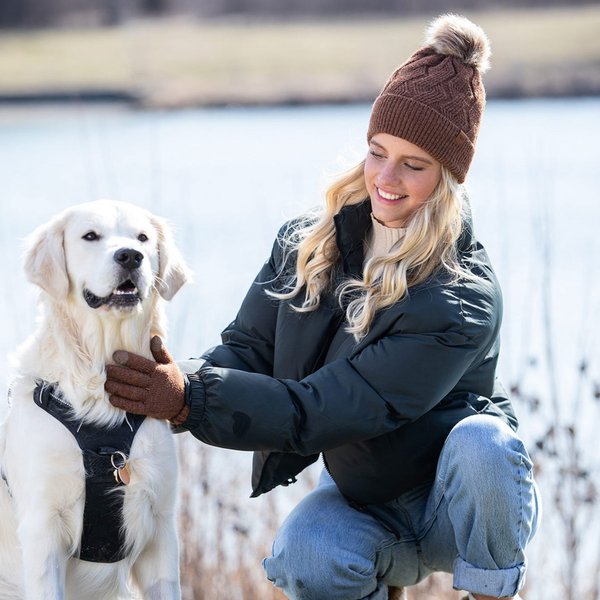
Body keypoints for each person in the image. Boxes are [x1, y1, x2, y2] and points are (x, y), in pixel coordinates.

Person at [105, 14, 541, 600]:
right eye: (377, 152)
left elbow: (332, 408)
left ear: (447, 178)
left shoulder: (459, 297)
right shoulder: (307, 244)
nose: (386, 178)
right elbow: (250, 349)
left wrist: (190, 399)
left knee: (486, 445)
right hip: (365, 504)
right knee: (305, 555)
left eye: (413, 165)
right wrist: (171, 380)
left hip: (448, 508)